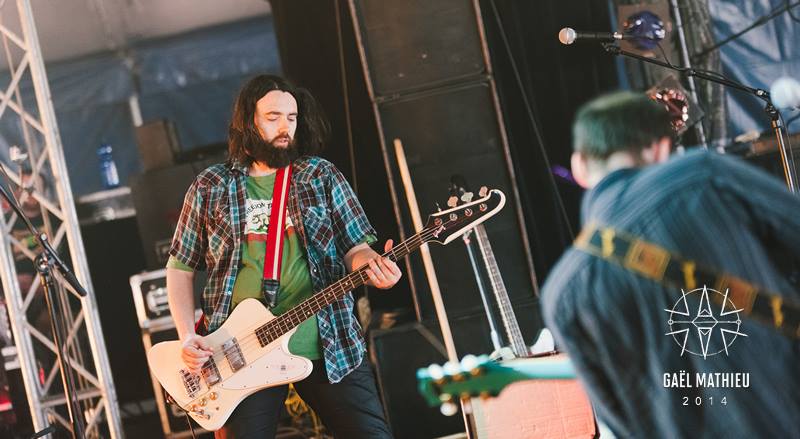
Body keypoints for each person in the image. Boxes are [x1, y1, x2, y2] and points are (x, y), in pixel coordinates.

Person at [541, 91, 800, 438]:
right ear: (660, 148)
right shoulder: (702, 175)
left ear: (579, 166)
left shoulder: (562, 293)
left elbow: (620, 423)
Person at [166, 74, 400, 438]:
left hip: (328, 340)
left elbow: (356, 248)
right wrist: (185, 336)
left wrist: (370, 264)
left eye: (291, 118)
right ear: (249, 122)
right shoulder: (211, 186)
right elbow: (180, 268)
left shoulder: (321, 175)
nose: (285, 127)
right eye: (273, 116)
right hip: (238, 352)